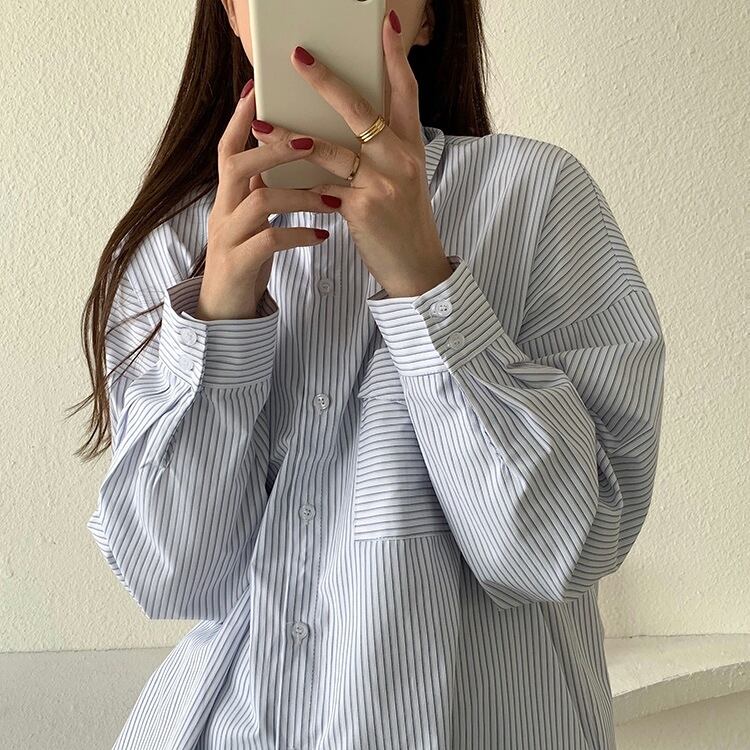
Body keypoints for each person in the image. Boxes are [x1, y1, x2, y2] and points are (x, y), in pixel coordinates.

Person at [74, 0, 666, 748]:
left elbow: (556, 551)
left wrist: (425, 282)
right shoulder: (174, 245)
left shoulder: (537, 196)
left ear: (428, 18)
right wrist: (220, 322)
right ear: (233, 15)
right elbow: (171, 577)